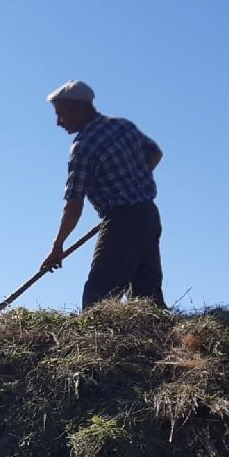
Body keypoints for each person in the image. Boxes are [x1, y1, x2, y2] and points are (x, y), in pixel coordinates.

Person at [41, 79, 165, 309]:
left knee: (98, 297)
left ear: (78, 108)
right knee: (147, 296)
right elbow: (155, 153)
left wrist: (58, 246)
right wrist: (134, 180)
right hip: (148, 215)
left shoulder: (83, 147)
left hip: (122, 222)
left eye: (61, 114)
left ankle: (95, 343)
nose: (59, 122)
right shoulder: (122, 126)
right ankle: (160, 340)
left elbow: (74, 204)